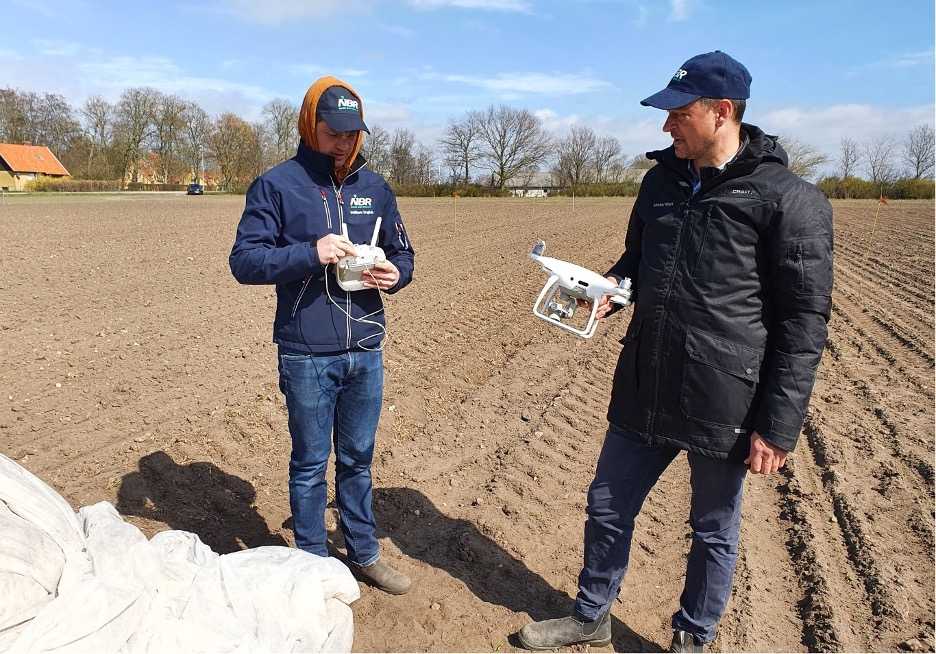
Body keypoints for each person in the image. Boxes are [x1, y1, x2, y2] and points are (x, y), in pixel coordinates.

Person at [518, 51, 832, 652]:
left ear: (721, 112)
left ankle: (692, 638)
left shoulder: (789, 200)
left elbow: (803, 322)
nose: (666, 126)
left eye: (678, 114)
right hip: (647, 376)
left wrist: (779, 427)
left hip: (724, 394)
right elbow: (637, 260)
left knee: (712, 529)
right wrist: (608, 289)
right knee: (607, 505)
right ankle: (591, 615)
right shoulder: (659, 182)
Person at [229, 76, 415, 594]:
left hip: (366, 349)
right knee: (310, 463)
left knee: (358, 459)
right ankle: (312, 567)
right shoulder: (277, 185)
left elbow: (404, 255)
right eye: (334, 131)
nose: (343, 142)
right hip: (306, 352)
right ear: (310, 125)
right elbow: (244, 261)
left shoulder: (376, 188)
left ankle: (365, 553)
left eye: (353, 133)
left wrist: (395, 275)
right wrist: (312, 253)